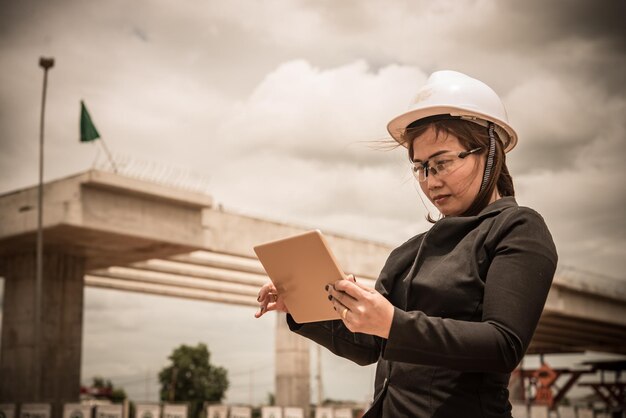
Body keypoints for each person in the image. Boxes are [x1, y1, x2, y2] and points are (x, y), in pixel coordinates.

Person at [255, 70, 558, 418]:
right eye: (420, 167)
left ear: (490, 151)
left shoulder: (517, 228)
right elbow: (371, 344)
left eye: (442, 163)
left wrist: (393, 324)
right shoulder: (408, 252)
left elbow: (503, 345)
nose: (430, 181)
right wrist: (302, 306)